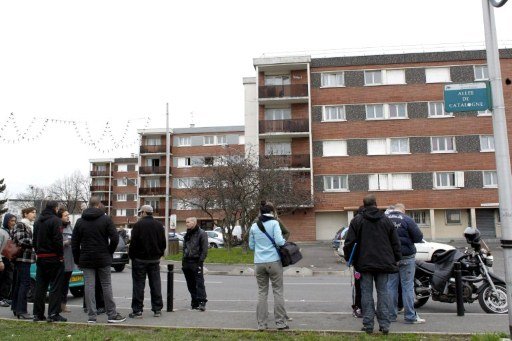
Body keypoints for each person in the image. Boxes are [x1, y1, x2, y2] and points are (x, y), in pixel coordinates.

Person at [343, 194, 401, 335]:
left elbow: (349, 243)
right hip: (384, 262)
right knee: (383, 293)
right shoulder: (386, 220)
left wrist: (349, 259)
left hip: (364, 263)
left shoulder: (357, 221)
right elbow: (395, 242)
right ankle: (384, 324)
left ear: (364, 204)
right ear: (376, 204)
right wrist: (397, 258)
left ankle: (368, 324)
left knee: (366, 293)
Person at [72, 196, 126, 323]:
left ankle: (92, 316)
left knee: (89, 286)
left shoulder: (80, 221)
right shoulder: (106, 219)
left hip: (86, 258)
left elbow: (75, 243)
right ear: (98, 204)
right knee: (106, 285)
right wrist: (109, 251)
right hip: (103, 257)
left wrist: (77, 259)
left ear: (89, 204)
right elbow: (115, 238)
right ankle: (111, 314)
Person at [249, 201, 289, 331]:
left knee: (262, 293)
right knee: (278, 291)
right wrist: (282, 242)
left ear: (260, 212)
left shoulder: (254, 226)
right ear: (271, 212)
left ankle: (261, 324)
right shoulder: (275, 223)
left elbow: (251, 246)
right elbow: (279, 241)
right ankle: (280, 323)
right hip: (274, 261)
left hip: (259, 262)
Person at [385, 203, 425, 324]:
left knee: (391, 286)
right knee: (407, 287)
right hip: (407, 257)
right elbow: (418, 237)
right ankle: (410, 317)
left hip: (391, 258)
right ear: (403, 210)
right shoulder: (407, 219)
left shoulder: (385, 220)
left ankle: (391, 315)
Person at [128, 204, 166, 318]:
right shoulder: (159, 225)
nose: (140, 214)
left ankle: (137, 310)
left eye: (140, 212)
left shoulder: (138, 225)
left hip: (140, 259)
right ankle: (157, 309)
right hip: (154, 260)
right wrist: (159, 254)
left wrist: (132, 256)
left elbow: (133, 244)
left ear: (144, 212)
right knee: (155, 284)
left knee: (138, 285)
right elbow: (163, 243)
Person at [32, 201, 66, 322]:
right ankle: (53, 313)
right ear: (55, 208)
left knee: (40, 287)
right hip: (53, 257)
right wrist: (60, 255)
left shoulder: (38, 221)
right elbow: (57, 239)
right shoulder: (56, 220)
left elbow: (34, 239)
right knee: (55, 286)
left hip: (41, 257)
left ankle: (37, 314)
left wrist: (38, 252)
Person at [11, 207, 37, 319]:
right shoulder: (21, 224)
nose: (34, 214)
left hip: (25, 258)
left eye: (35, 212)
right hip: (21, 258)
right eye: (32, 212)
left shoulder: (28, 225)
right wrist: (36, 241)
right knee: (24, 283)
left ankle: (16, 308)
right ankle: (22, 310)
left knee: (19, 283)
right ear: (25, 214)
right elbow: (21, 240)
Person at [182, 217, 208, 311]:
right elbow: (184, 248)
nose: (187, 224)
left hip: (196, 261)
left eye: (188, 222)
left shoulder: (202, 233)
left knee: (199, 283)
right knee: (190, 283)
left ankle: (202, 301)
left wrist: (200, 262)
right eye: (186, 222)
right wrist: (183, 261)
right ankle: (194, 301)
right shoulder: (187, 234)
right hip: (187, 262)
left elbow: (204, 250)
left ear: (194, 222)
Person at [58, 208, 73, 313]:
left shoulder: (70, 227)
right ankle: (57, 304)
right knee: (59, 283)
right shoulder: (58, 227)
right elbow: (56, 243)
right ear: (60, 217)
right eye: (65, 215)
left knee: (66, 284)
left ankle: (63, 304)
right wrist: (65, 242)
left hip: (69, 260)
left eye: (68, 215)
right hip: (60, 260)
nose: (68, 217)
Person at [0, 213, 17, 307]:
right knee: (2, 279)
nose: (13, 223)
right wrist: (0, 261)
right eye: (11, 221)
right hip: (2, 259)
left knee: (8, 280)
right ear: (6, 221)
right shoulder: (1, 232)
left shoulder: (11, 232)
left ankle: (4, 297)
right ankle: (1, 299)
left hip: (8, 259)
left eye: (14, 221)